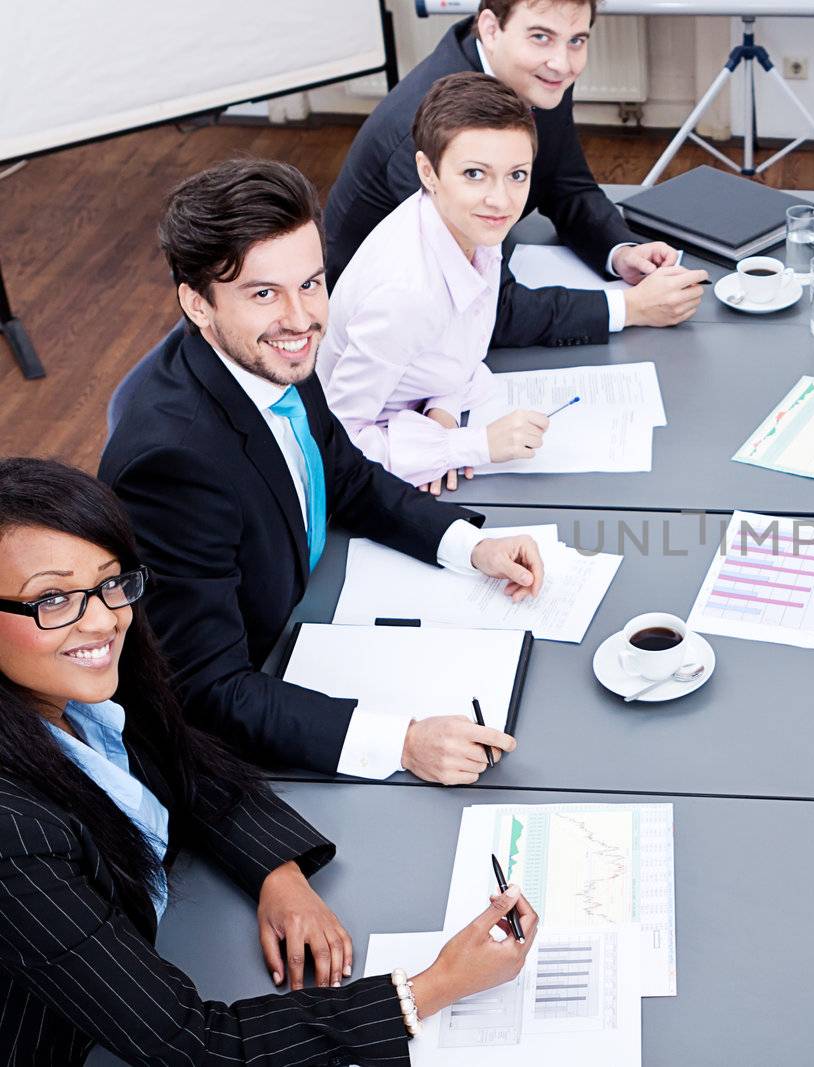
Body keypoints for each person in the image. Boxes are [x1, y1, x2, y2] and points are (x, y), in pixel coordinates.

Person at [0, 457, 539, 1066]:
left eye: (109, 582)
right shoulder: (13, 832)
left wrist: (276, 872)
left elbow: (184, 760)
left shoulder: (81, 682)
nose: (102, 619)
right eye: (50, 599)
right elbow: (196, 1048)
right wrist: (430, 989)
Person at [99, 158, 545, 784]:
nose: (303, 318)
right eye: (264, 293)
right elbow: (206, 689)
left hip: (314, 611)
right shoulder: (173, 464)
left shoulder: (270, 360)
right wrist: (403, 742)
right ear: (198, 305)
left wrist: (470, 546)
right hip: (259, 693)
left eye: (310, 283)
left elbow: (345, 474)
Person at [323, 0, 707, 348]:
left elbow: (566, 185)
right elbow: (484, 309)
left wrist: (620, 252)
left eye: (577, 40)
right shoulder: (424, 129)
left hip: (486, 257)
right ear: (490, 28)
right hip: (385, 330)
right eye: (541, 37)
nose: (563, 62)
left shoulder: (536, 75)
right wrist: (629, 307)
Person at [320, 72, 554, 494]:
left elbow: (456, 353)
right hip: (373, 467)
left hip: (426, 418)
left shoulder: (471, 227)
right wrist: (468, 445)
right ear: (428, 172)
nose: (501, 200)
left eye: (517, 175)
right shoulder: (404, 296)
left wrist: (441, 419)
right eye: (474, 174)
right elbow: (336, 446)